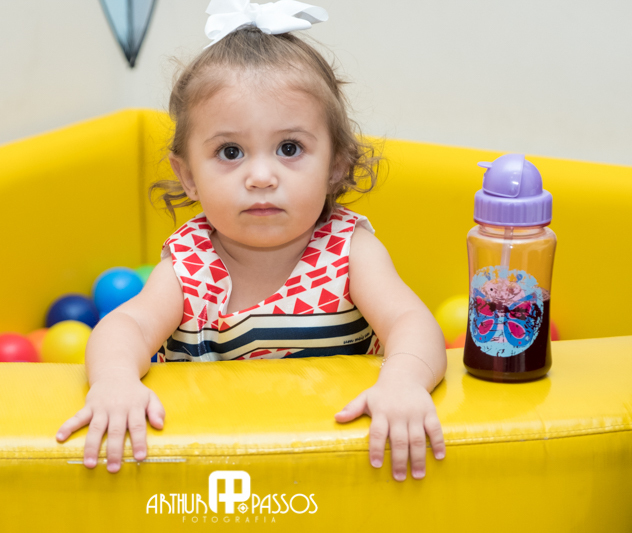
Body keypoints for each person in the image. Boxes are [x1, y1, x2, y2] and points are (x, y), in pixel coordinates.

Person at [56, 0, 447, 482]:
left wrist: (404, 381)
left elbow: (413, 322)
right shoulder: (189, 266)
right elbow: (126, 327)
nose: (261, 176)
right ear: (188, 175)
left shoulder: (348, 251)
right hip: (211, 472)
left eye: (289, 148)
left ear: (336, 165)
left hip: (333, 468)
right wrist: (115, 381)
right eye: (230, 151)